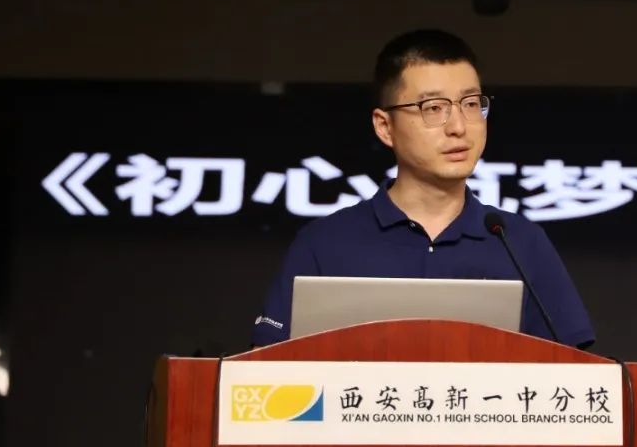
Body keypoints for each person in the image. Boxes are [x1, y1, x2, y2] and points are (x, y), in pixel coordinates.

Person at [252, 29, 595, 349]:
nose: (458, 126)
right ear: (385, 127)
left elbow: (575, 373)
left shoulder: (519, 242)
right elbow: (264, 368)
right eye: (433, 108)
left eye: (471, 104)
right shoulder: (324, 243)